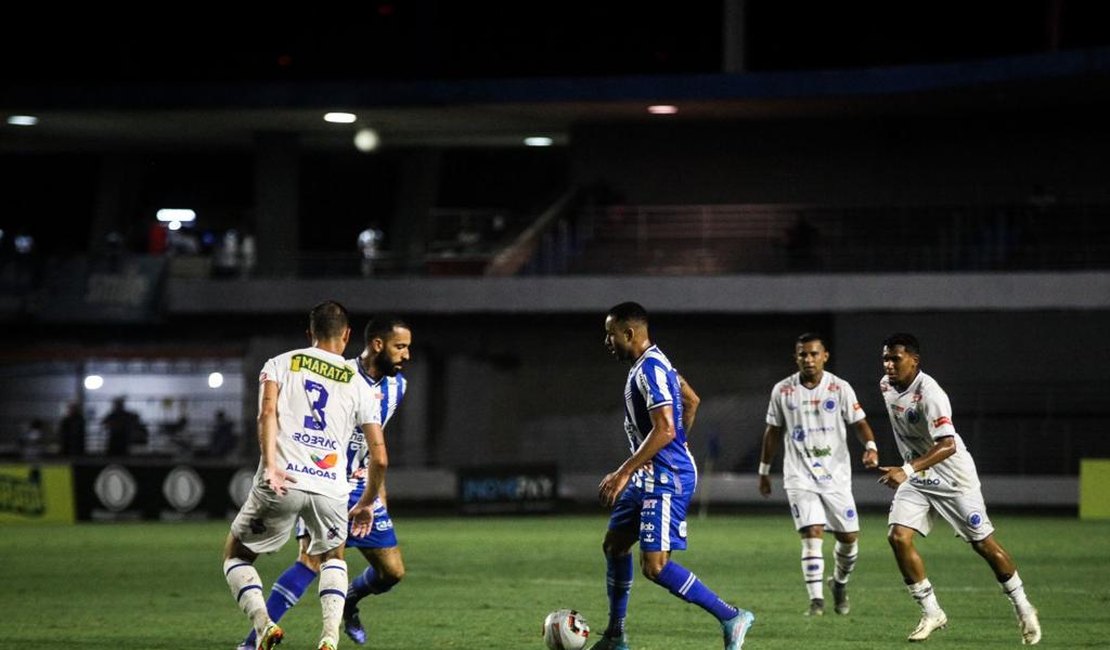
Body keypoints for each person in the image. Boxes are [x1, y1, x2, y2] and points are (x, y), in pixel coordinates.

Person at [237, 314, 411, 650]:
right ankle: (253, 641)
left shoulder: (398, 387)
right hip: (325, 480)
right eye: (400, 347)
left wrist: (378, 497)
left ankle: (350, 600)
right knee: (314, 560)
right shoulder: (338, 373)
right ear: (378, 344)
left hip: (363, 488)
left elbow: (375, 449)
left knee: (392, 572)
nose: (406, 355)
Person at [593, 301, 755, 650]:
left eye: (610, 335)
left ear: (629, 333)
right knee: (615, 545)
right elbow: (692, 400)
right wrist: (676, 443)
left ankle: (732, 616)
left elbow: (665, 428)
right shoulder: (656, 362)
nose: (607, 342)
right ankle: (616, 635)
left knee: (655, 566)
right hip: (652, 473)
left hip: (666, 478)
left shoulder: (650, 369)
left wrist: (627, 470)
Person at [876, 332, 1041, 644]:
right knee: (898, 536)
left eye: (895, 358)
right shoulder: (886, 386)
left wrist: (906, 468)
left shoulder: (931, 393)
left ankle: (1023, 607)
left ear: (914, 360)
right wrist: (909, 469)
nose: (888, 364)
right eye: (885, 358)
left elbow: (948, 445)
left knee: (984, 545)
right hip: (919, 475)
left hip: (952, 477)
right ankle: (932, 612)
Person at [757, 332, 879, 616]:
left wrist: (871, 446)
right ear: (796, 357)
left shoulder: (839, 388)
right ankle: (816, 601)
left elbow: (859, 423)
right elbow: (772, 432)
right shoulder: (782, 391)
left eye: (813, 354)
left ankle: (839, 583)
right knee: (812, 533)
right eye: (803, 354)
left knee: (849, 538)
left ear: (825, 356)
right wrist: (764, 471)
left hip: (836, 476)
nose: (808, 359)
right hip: (799, 475)